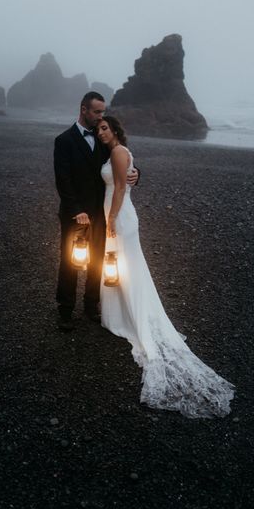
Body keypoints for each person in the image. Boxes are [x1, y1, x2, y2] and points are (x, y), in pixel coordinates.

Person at [97, 115, 235, 417]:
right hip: (117, 213)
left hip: (118, 216)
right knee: (121, 268)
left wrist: (110, 219)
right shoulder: (116, 153)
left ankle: (131, 319)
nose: (101, 132)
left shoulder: (119, 152)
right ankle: (119, 315)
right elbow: (123, 180)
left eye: (105, 128)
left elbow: (120, 188)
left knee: (126, 269)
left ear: (115, 129)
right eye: (98, 129)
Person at [53, 92, 138, 331]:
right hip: (75, 214)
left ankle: (92, 306)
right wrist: (76, 210)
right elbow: (63, 180)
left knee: (98, 260)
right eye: (97, 112)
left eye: (102, 112)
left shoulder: (102, 139)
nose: (101, 116)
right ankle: (66, 310)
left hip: (102, 211)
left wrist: (136, 173)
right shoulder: (64, 141)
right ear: (83, 110)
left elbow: (119, 161)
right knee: (70, 262)